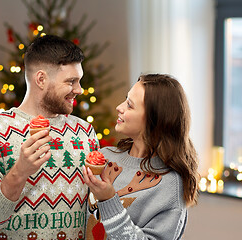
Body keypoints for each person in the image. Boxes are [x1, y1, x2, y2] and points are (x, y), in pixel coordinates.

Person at [0, 35, 99, 240]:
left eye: (79, 81)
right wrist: (20, 172)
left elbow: (95, 211)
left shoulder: (85, 133)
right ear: (41, 79)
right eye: (71, 81)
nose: (79, 90)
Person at [83, 74, 199, 240]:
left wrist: (109, 200)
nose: (119, 107)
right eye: (125, 100)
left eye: (130, 105)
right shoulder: (105, 157)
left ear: (155, 120)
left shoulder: (170, 186)